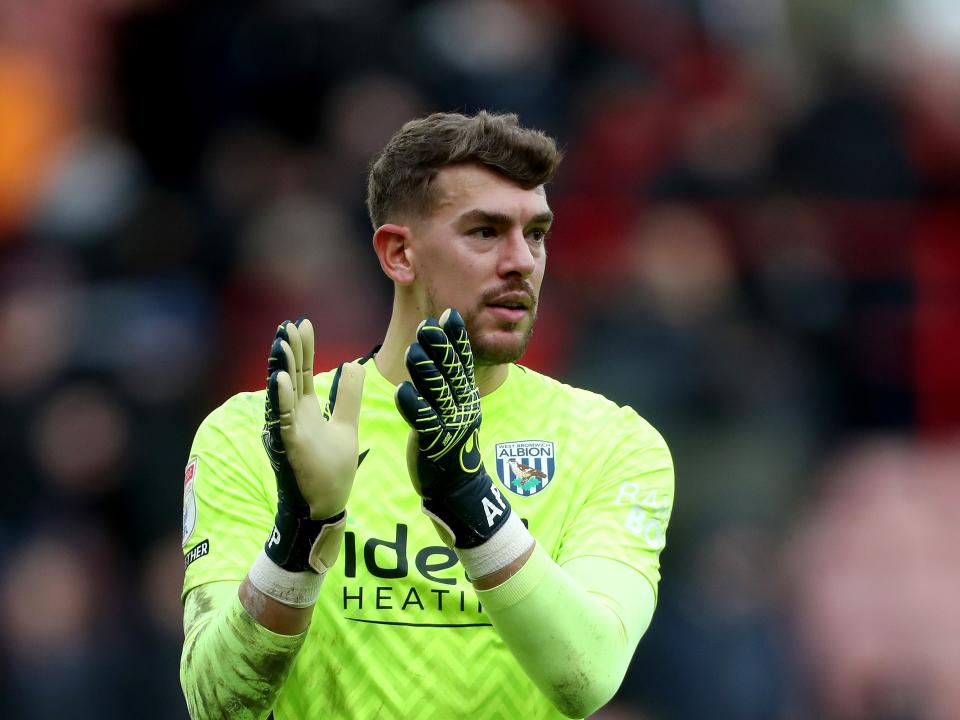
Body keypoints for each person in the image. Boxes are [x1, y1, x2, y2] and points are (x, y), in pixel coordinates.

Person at [179, 111, 674, 720]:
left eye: (537, 233)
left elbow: (589, 675)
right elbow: (215, 704)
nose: (521, 261)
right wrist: (300, 536)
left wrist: (470, 504)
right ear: (399, 254)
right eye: (485, 232)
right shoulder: (254, 434)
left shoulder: (614, 444)